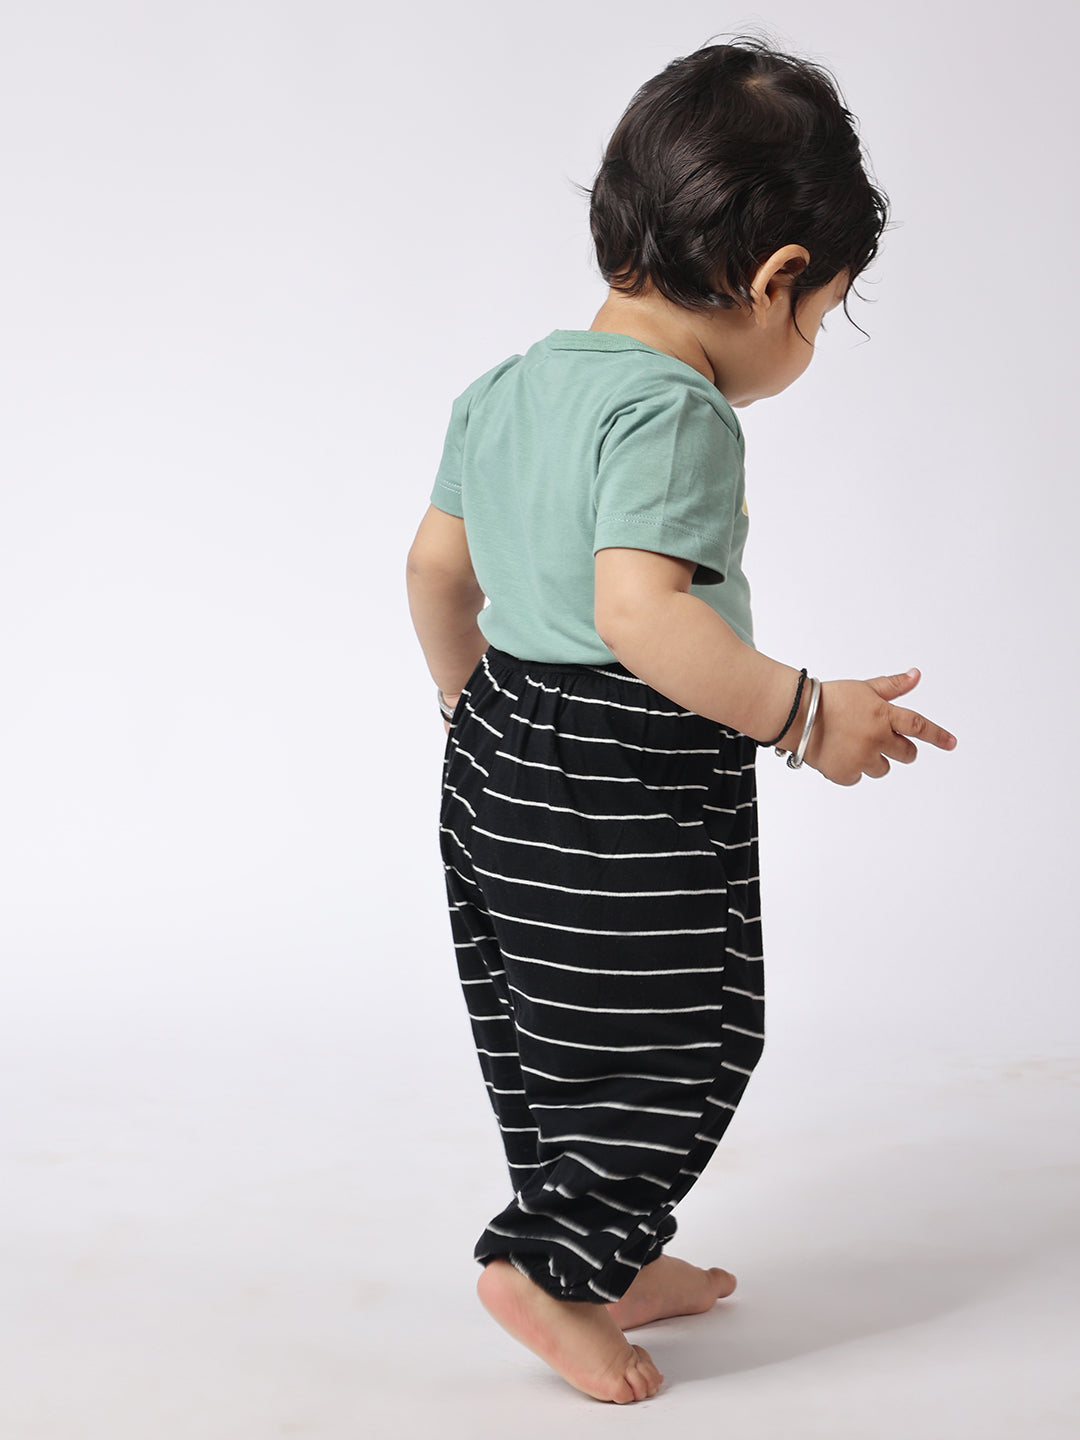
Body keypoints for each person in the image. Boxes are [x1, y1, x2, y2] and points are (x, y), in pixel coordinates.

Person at [405, 36, 956, 1405]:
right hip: (624, 766)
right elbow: (642, 617)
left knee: (552, 1037)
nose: (808, 339)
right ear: (776, 280)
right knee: (685, 1036)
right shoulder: (677, 411)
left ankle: (605, 1249)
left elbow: (433, 572)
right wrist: (804, 715)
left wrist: (473, 710)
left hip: (496, 750)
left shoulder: (507, 388)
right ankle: (545, 1272)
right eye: (823, 314)